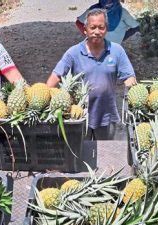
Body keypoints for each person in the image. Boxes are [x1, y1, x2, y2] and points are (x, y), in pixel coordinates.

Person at [47, 8, 136, 140]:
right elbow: (55, 77)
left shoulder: (117, 51)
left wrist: (134, 94)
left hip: (107, 115)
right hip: (79, 115)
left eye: (101, 27)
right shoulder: (73, 53)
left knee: (105, 154)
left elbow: (129, 77)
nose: (97, 32)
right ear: (85, 29)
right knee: (82, 155)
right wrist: (47, 96)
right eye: (92, 27)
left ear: (106, 29)